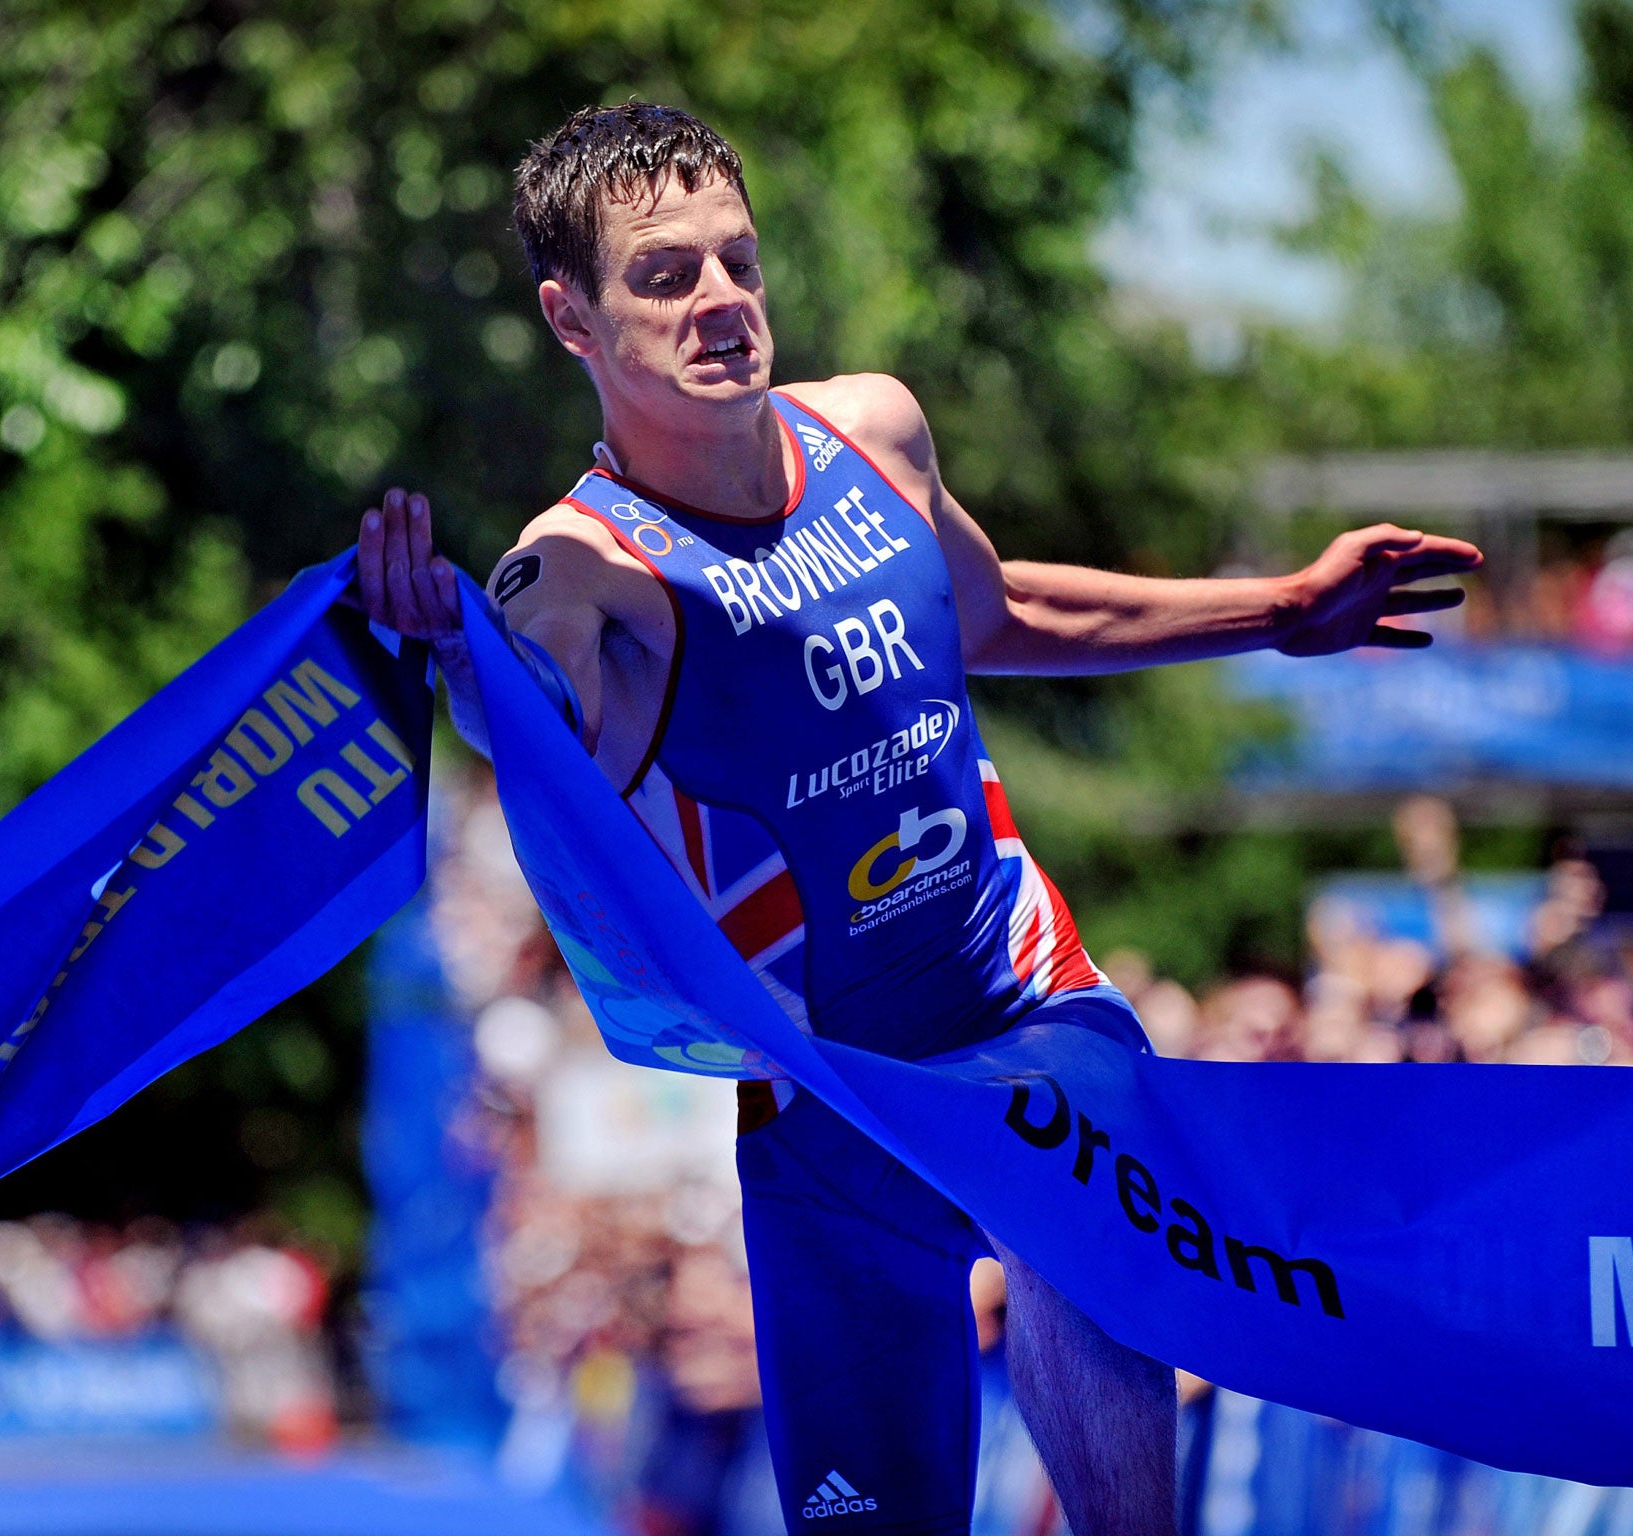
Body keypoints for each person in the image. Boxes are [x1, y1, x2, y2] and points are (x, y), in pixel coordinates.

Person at [357, 102, 1480, 1536]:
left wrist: (1275, 611)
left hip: (1016, 989)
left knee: (1089, 1196)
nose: (720, 304)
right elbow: (520, 701)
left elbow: (1005, 611)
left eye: (738, 263)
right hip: (834, 1098)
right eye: (665, 276)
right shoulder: (580, 574)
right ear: (570, 316)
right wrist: (454, 657)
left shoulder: (873, 429)